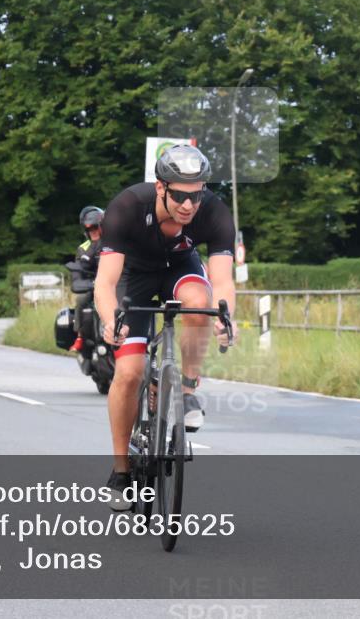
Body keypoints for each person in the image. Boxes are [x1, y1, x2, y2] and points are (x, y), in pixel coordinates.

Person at [95, 144, 237, 509]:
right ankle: (121, 471)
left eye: (196, 196)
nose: (189, 206)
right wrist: (112, 320)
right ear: (160, 187)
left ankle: (186, 388)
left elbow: (222, 282)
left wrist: (226, 318)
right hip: (134, 276)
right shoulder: (127, 207)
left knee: (200, 304)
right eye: (179, 196)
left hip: (179, 269)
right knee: (129, 372)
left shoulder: (215, 212)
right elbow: (105, 283)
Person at [69, 206, 104, 352]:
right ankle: (80, 336)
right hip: (93, 284)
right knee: (81, 299)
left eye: (96, 228)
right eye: (90, 229)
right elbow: (79, 270)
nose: (93, 232)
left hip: (115, 283)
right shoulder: (83, 248)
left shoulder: (115, 242)